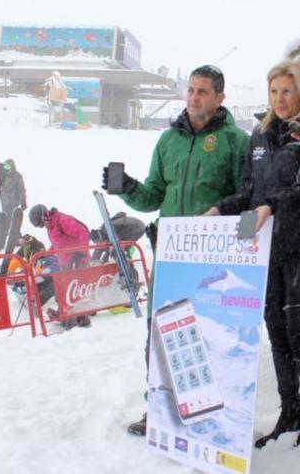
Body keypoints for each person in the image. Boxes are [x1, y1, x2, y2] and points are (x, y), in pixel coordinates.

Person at [101, 65, 249, 436]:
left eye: (203, 91)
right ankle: (160, 410)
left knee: (208, 336)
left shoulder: (235, 141)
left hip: (214, 258)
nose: (194, 97)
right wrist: (128, 187)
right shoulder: (168, 141)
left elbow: (246, 196)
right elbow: (154, 196)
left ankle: (211, 414)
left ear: (220, 98)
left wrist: (236, 236)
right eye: (191, 90)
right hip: (170, 252)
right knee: (163, 333)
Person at [208, 61, 300, 448]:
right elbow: (250, 195)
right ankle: (288, 413)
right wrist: (220, 211)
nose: (280, 100)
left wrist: (269, 209)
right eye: (274, 92)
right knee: (277, 334)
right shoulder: (259, 138)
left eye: (287, 91)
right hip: (266, 251)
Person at [29, 204, 92, 328]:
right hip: (65, 262)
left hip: (77, 260)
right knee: (62, 290)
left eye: (41, 224)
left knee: (71, 291)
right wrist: (46, 255)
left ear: (45, 215)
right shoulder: (51, 227)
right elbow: (59, 244)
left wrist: (79, 252)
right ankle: (67, 316)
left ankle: (79, 320)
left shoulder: (62, 220)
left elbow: (83, 233)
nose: (43, 227)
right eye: (40, 226)